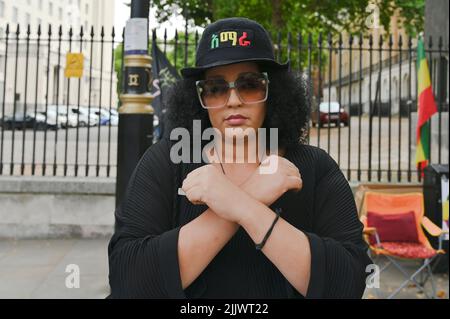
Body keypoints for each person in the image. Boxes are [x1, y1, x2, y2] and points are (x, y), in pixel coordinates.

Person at [108, 17, 372, 299]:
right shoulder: (168, 161)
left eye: (249, 84)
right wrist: (251, 196)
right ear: (200, 98)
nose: (233, 100)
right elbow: (129, 279)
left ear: (272, 92)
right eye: (216, 88)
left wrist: (240, 205)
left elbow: (348, 283)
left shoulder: (315, 168)